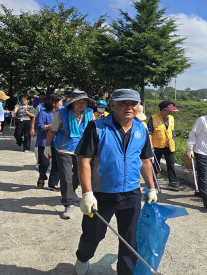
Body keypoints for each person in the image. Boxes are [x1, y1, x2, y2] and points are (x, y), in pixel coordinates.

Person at [73, 89, 156, 275]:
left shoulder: (141, 129)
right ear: (113, 105)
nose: (129, 107)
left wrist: (151, 188)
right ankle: (82, 257)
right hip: (102, 193)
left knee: (129, 239)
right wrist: (87, 193)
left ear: (138, 106)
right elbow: (84, 160)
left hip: (131, 193)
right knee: (93, 234)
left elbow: (145, 160)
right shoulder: (96, 127)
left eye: (133, 104)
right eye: (123, 103)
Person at [44, 91, 94, 219]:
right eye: (79, 101)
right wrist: (47, 146)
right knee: (66, 177)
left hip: (82, 150)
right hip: (64, 149)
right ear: (72, 102)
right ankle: (68, 204)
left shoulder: (89, 113)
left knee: (79, 175)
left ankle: (71, 192)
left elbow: (94, 131)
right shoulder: (61, 113)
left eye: (84, 102)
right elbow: (52, 130)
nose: (82, 104)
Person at [148, 101, 183, 191]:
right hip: (156, 145)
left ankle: (173, 182)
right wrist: (150, 145)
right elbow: (149, 133)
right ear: (162, 110)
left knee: (171, 164)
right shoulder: (153, 118)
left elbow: (172, 131)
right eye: (168, 111)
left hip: (169, 145)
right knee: (155, 164)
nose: (170, 113)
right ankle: (153, 182)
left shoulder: (171, 118)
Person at [35, 94, 62, 190]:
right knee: (45, 163)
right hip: (44, 141)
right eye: (60, 102)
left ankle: (53, 183)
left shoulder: (60, 113)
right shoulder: (43, 113)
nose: (62, 104)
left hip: (58, 142)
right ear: (54, 103)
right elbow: (39, 126)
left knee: (58, 163)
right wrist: (53, 125)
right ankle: (42, 177)